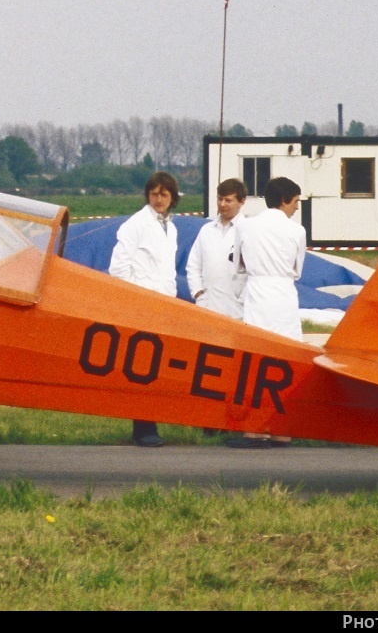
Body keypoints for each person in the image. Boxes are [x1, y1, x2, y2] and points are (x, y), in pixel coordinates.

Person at [225, 176, 306, 450]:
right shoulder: (297, 231)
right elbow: (297, 269)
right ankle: (282, 430)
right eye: (295, 201)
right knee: (287, 363)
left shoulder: (246, 226)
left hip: (257, 293)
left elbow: (238, 265)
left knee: (255, 363)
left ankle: (255, 430)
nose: (296, 207)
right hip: (283, 295)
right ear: (284, 200)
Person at [108, 171, 181, 449]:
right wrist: (136, 299)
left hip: (163, 304)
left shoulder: (170, 228)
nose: (158, 199)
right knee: (142, 368)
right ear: (147, 195)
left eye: (164, 194)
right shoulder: (135, 225)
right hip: (142, 306)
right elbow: (118, 268)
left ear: (172, 197)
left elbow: (166, 270)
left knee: (157, 367)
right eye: (154, 194)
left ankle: (151, 423)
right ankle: (143, 428)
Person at [187, 178, 248, 320]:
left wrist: (242, 299)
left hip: (237, 310)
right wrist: (198, 293)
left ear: (242, 201)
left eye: (228, 200)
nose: (222, 204)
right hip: (207, 306)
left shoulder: (248, 231)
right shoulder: (206, 230)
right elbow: (193, 266)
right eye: (220, 199)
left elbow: (254, 272)